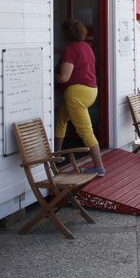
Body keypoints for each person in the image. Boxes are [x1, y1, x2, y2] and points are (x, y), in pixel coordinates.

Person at [54, 19, 105, 176]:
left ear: (66, 34)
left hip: (76, 94)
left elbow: (64, 77)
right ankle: (56, 156)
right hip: (91, 90)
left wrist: (47, 75)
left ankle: (99, 167)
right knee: (60, 121)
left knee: (85, 131)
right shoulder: (86, 47)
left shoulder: (70, 49)